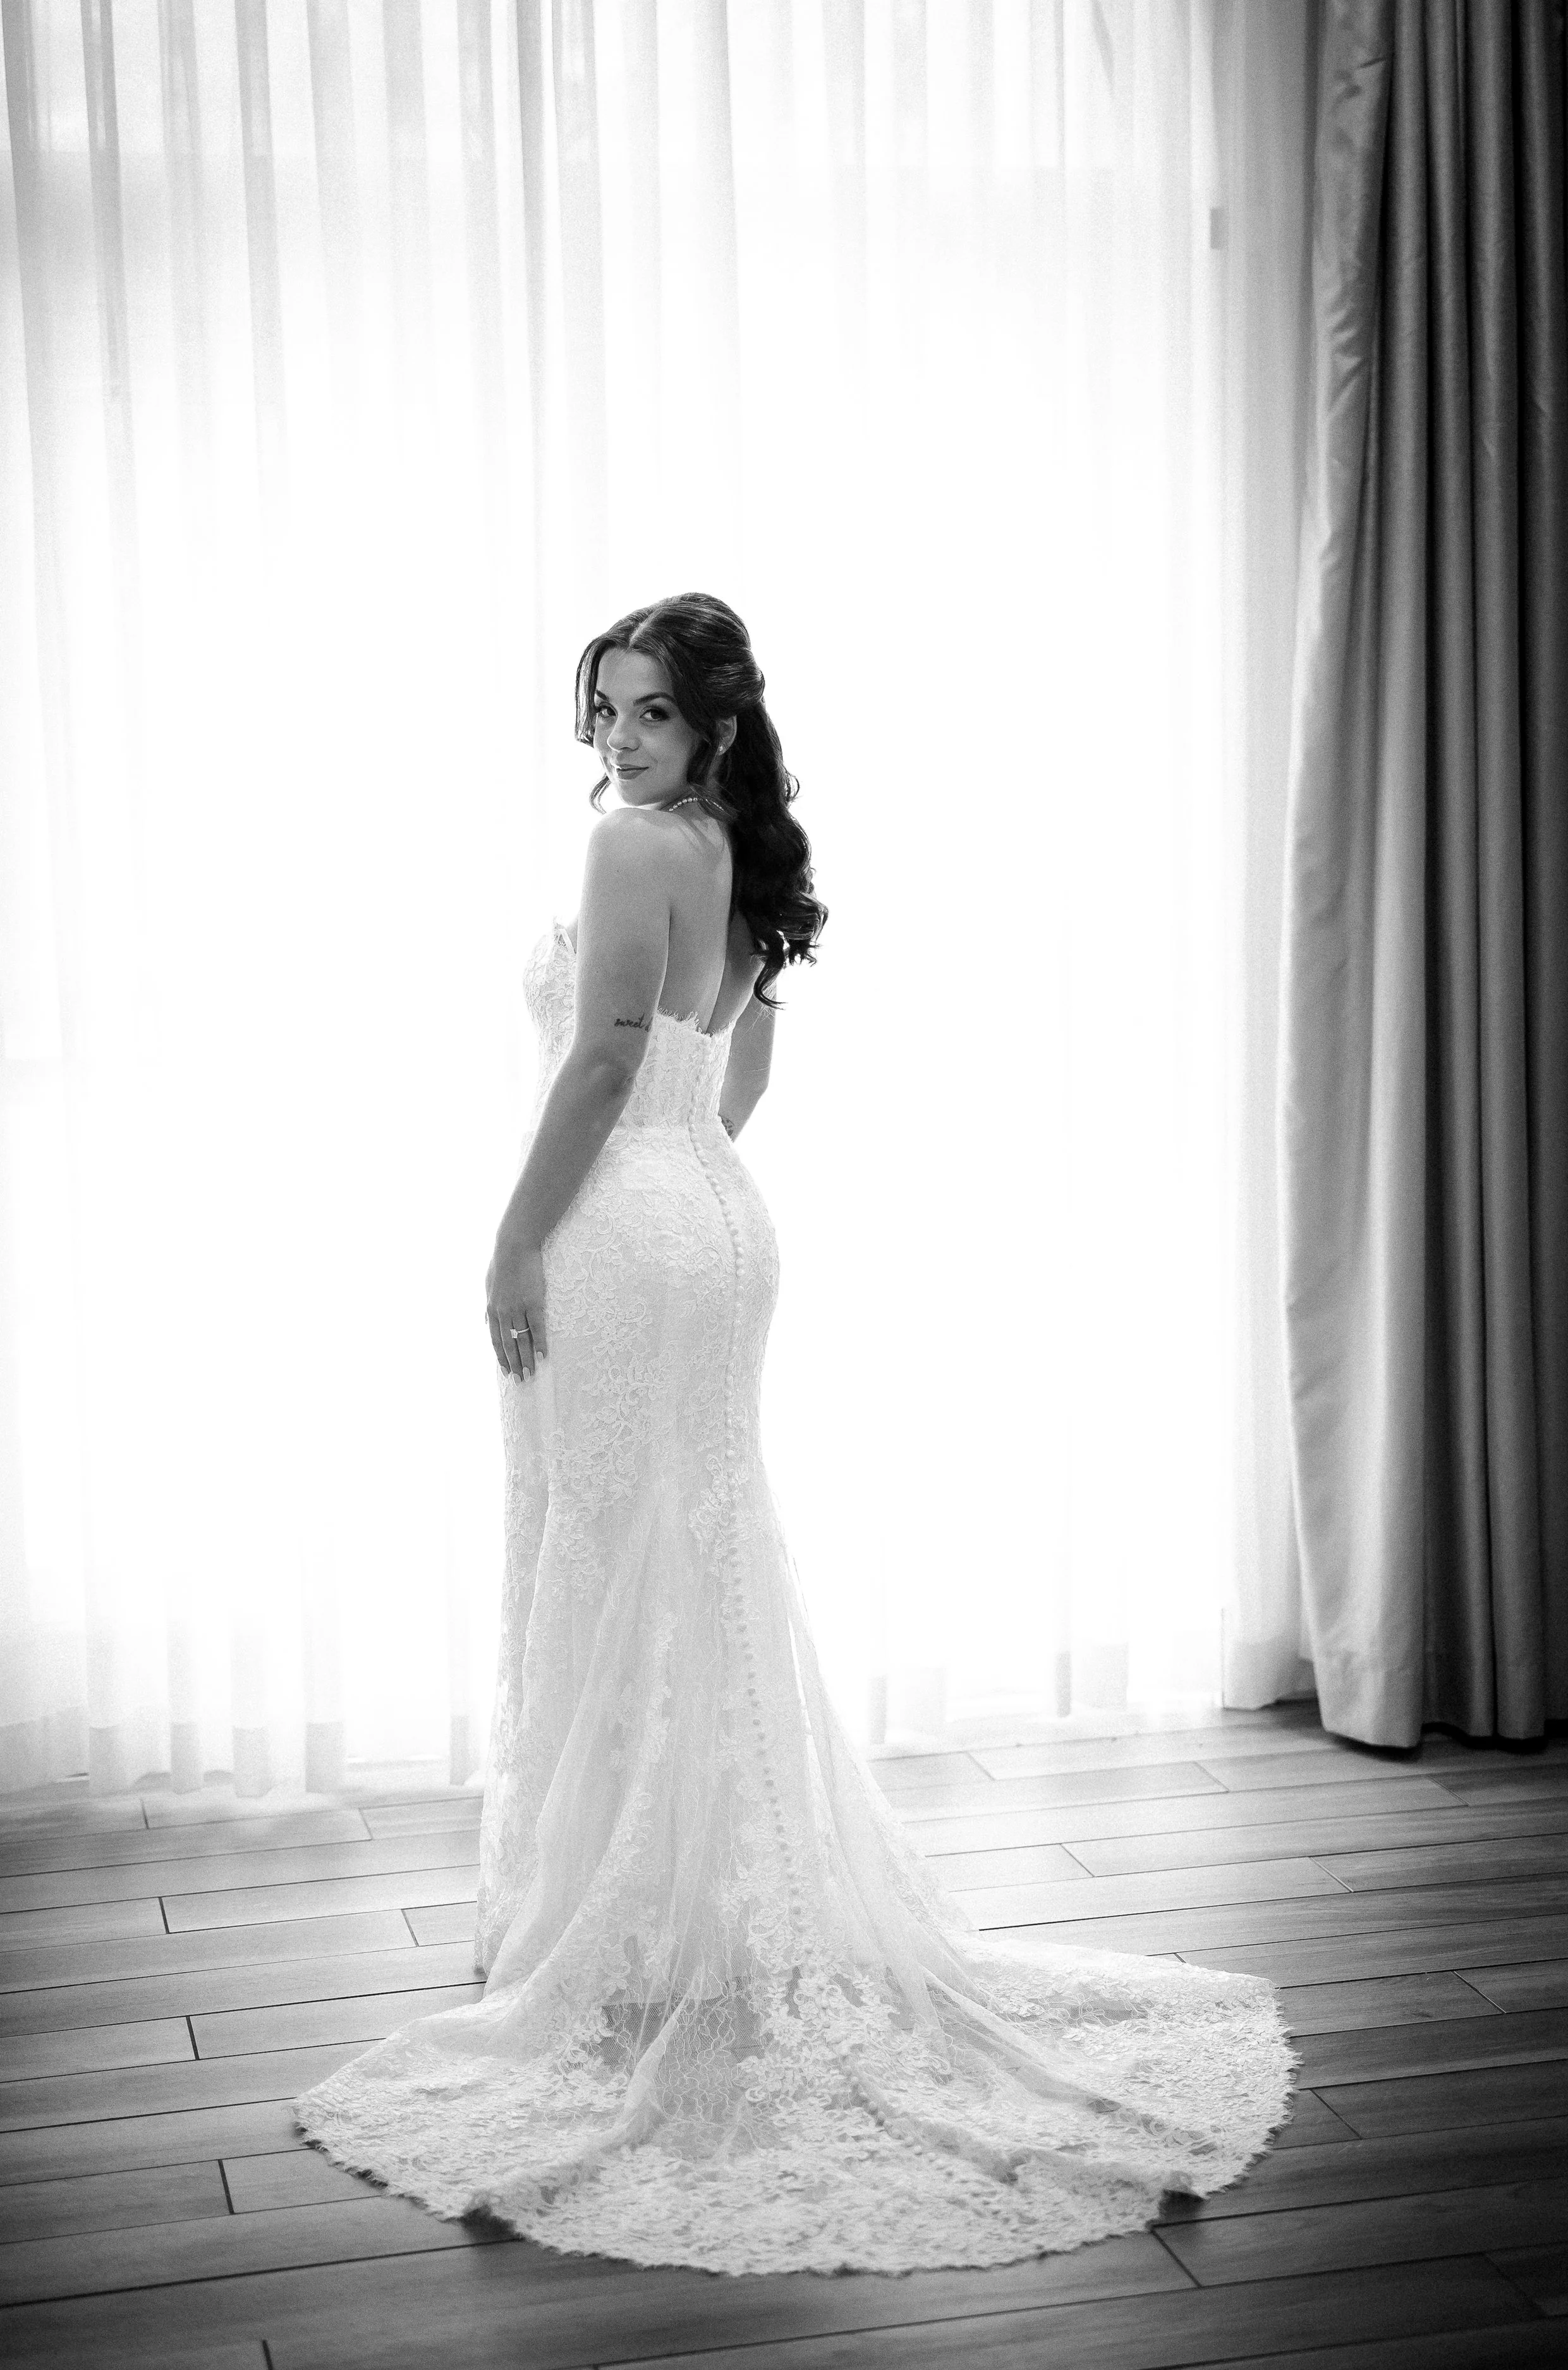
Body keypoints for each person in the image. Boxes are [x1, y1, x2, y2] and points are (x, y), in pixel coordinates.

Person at [295, 592, 1293, 2274]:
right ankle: (691, 1912)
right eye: (607, 708)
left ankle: (624, 1928)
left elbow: (606, 1057)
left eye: (654, 712)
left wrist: (514, 1242)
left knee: (610, 1555)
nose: (621, 740)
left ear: (715, 722)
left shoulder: (632, 847)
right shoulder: (744, 854)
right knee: (697, 1555)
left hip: (617, 1229)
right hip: (715, 1222)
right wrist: (676, 1185)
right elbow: (729, 1084)